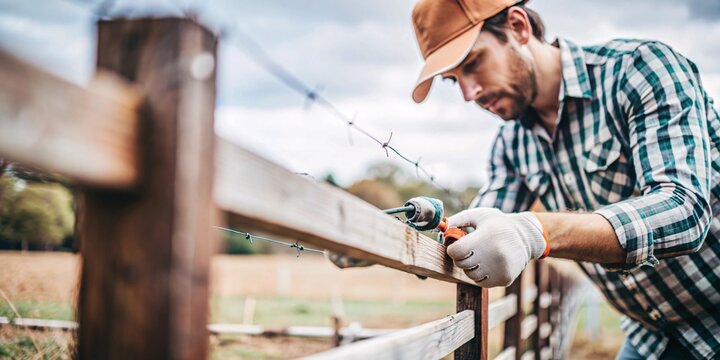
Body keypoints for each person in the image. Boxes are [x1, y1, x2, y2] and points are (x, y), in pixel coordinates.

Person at [409, 0, 720, 359]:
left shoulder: (639, 70)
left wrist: (535, 232)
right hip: (652, 334)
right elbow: (472, 235)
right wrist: (379, 233)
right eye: (454, 81)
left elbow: (685, 209)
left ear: (518, 26)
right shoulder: (512, 145)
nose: (469, 93)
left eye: (474, 63)